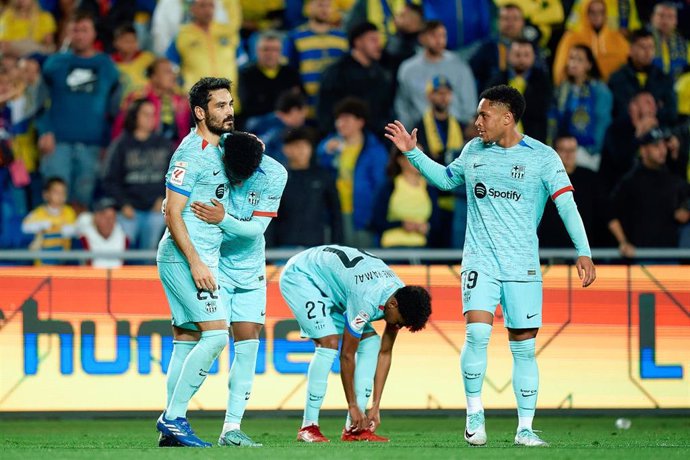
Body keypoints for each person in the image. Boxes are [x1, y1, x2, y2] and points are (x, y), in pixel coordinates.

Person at [384, 85, 596, 447]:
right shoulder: (473, 151)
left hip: (523, 265)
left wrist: (584, 250)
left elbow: (566, 205)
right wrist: (413, 154)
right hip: (480, 261)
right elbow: (447, 179)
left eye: (484, 115)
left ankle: (525, 428)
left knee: (524, 346)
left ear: (507, 118)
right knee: (477, 334)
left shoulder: (543, 158)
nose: (476, 121)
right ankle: (474, 416)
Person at [189, 131, 287, 447]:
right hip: (210, 267)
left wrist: (222, 218)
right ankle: (174, 418)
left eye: (244, 176)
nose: (239, 182)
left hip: (248, 271)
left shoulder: (275, 173)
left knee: (248, 347)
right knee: (206, 342)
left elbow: (256, 230)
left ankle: (231, 429)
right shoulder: (209, 155)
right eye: (233, 175)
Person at [280, 244, 432, 442]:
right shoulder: (366, 300)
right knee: (329, 343)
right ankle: (308, 427)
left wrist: (376, 405)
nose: (397, 326)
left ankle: (355, 429)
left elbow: (385, 352)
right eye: (399, 322)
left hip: (335, 285)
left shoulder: (398, 296)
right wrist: (352, 404)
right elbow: (347, 355)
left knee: (372, 343)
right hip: (302, 276)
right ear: (393, 304)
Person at [155, 77, 234, 448]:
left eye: (230, 103)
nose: (229, 111)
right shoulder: (191, 151)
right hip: (183, 257)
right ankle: (172, 418)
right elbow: (173, 211)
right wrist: (197, 264)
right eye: (220, 105)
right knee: (217, 334)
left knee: (186, 338)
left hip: (201, 254)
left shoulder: (221, 149)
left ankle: (171, 430)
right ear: (200, 112)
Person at [37, 10, 121, 209]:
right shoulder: (55, 63)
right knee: (55, 202)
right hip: (58, 144)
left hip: (93, 147)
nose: (79, 35)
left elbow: (115, 110)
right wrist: (44, 131)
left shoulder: (107, 66)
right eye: (75, 30)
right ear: (68, 33)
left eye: (84, 30)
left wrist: (107, 143)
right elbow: (39, 102)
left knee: (84, 201)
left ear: (94, 34)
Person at [317, 97, 387, 248]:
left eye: (346, 119)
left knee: (364, 257)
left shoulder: (374, 150)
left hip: (363, 214)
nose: (340, 124)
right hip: (335, 212)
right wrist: (325, 153)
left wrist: (374, 215)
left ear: (360, 122)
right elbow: (319, 173)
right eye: (338, 119)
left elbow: (380, 184)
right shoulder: (329, 146)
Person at [608, 128, 690, 257]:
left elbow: (687, 198)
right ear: (643, 151)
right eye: (656, 146)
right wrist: (623, 242)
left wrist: (686, 208)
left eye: (664, 145)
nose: (662, 150)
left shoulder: (673, 177)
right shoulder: (630, 181)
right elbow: (610, 213)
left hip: (671, 256)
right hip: (640, 256)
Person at [103, 98, 172, 250]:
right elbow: (110, 180)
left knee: (155, 234)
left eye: (153, 114)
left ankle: (148, 272)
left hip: (156, 209)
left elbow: (176, 176)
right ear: (134, 117)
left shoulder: (164, 144)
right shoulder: (120, 145)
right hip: (128, 211)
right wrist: (124, 205)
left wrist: (163, 198)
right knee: (124, 245)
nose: (151, 118)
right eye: (145, 114)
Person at [266, 127, 343, 247]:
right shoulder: (277, 179)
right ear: (286, 149)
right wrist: (268, 250)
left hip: (316, 248)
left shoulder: (323, 177)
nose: (302, 150)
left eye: (306, 145)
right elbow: (269, 218)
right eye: (297, 146)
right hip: (283, 248)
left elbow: (335, 215)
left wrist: (336, 246)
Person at [395, 20, 476, 129]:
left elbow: (469, 103)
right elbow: (403, 106)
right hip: (421, 133)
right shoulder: (408, 69)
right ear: (422, 38)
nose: (439, 41)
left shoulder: (459, 64)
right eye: (434, 36)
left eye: (443, 36)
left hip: (456, 131)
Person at [316, 21, 393, 135]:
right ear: (358, 42)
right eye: (373, 40)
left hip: (375, 137)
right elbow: (325, 113)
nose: (378, 44)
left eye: (379, 39)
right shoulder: (336, 73)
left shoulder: (381, 74)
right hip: (341, 137)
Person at [550, 44, 613, 170]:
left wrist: (592, 150)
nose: (573, 63)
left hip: (587, 152)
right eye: (571, 58)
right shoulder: (563, 88)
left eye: (579, 60)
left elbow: (603, 121)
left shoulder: (600, 90)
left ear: (589, 65)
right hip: (563, 149)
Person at [285, 0, 348, 121]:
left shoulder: (342, 38)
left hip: (335, 106)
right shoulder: (296, 36)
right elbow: (290, 72)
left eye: (328, 5)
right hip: (307, 108)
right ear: (309, 8)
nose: (324, 9)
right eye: (320, 5)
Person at [112, 57, 191, 148]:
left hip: (176, 153)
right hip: (145, 152)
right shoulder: (138, 98)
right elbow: (120, 126)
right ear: (154, 77)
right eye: (167, 72)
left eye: (172, 72)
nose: (172, 76)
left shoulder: (182, 100)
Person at [370, 147, 438, 248]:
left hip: (422, 248)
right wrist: (401, 224)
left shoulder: (430, 189)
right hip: (393, 247)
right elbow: (376, 221)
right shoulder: (389, 187)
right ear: (400, 160)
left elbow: (437, 223)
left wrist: (427, 227)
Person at [488, 38, 551, 143]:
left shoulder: (542, 81)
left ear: (533, 57)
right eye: (517, 55)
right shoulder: (497, 80)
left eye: (526, 55)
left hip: (533, 141)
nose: (521, 59)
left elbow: (541, 109)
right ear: (508, 56)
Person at [551, 0, 629, 85]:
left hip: (612, 89)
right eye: (592, 12)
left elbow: (626, 66)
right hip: (576, 88)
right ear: (585, 13)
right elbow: (560, 68)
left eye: (601, 12)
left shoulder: (617, 39)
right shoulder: (571, 38)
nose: (597, 16)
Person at [238, 30, 302, 126]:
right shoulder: (246, 74)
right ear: (257, 51)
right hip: (259, 121)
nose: (270, 53)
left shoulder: (290, 73)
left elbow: (300, 100)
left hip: (287, 121)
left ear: (281, 52)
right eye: (266, 49)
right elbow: (248, 106)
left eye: (275, 50)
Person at [21, 177, 76, 264]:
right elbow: (25, 227)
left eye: (63, 192)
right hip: (41, 264)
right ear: (46, 195)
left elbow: (74, 230)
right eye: (56, 192)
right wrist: (42, 226)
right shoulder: (38, 213)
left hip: (62, 263)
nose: (60, 195)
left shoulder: (69, 212)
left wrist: (61, 229)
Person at [76, 196, 128, 268]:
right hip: (92, 277)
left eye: (112, 218)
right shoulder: (83, 239)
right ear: (96, 217)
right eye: (106, 218)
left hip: (117, 278)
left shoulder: (124, 239)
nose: (109, 222)